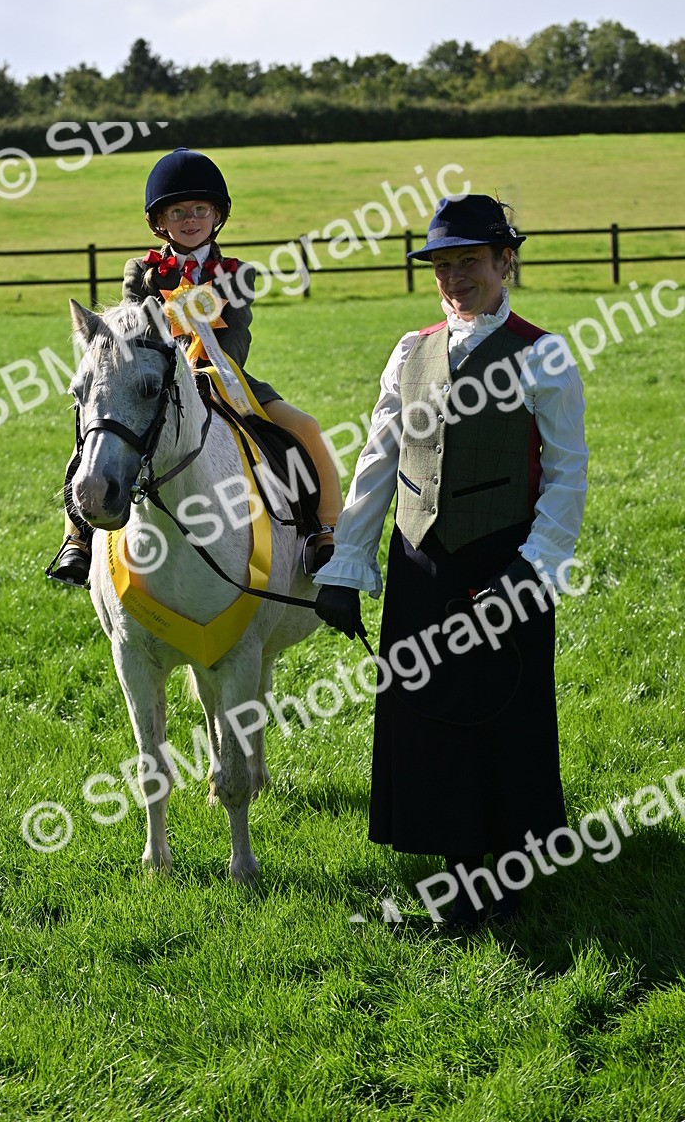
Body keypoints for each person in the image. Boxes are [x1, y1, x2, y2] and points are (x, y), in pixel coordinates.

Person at [314, 194, 588, 928]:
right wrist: (345, 568)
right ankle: (455, 867)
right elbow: (379, 463)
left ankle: (503, 876)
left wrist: (534, 568)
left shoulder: (544, 353)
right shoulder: (410, 350)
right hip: (419, 564)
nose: (454, 277)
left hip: (506, 563)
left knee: (502, 714)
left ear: (505, 260)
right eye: (442, 264)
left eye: (469, 260)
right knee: (428, 716)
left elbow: (567, 473)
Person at [47, 147, 343, 586]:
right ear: (159, 222)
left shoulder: (237, 274)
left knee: (306, 427)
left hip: (227, 376)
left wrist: (205, 370)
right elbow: (132, 332)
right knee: (93, 440)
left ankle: (324, 531)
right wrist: (171, 372)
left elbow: (237, 335)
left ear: (217, 215)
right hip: (156, 381)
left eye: (200, 210)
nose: (191, 219)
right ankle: (77, 540)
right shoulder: (141, 272)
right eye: (178, 211)